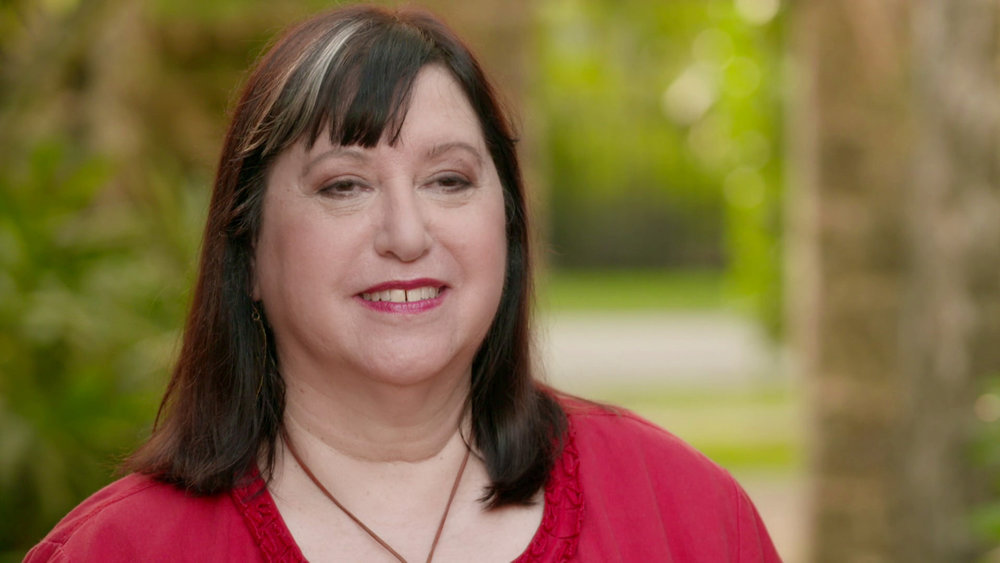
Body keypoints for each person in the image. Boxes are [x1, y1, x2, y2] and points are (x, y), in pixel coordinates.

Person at [26, 4, 781, 562]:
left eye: (449, 180)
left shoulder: (686, 516)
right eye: (344, 185)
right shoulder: (116, 551)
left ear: (507, 227)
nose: (407, 234)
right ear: (247, 251)